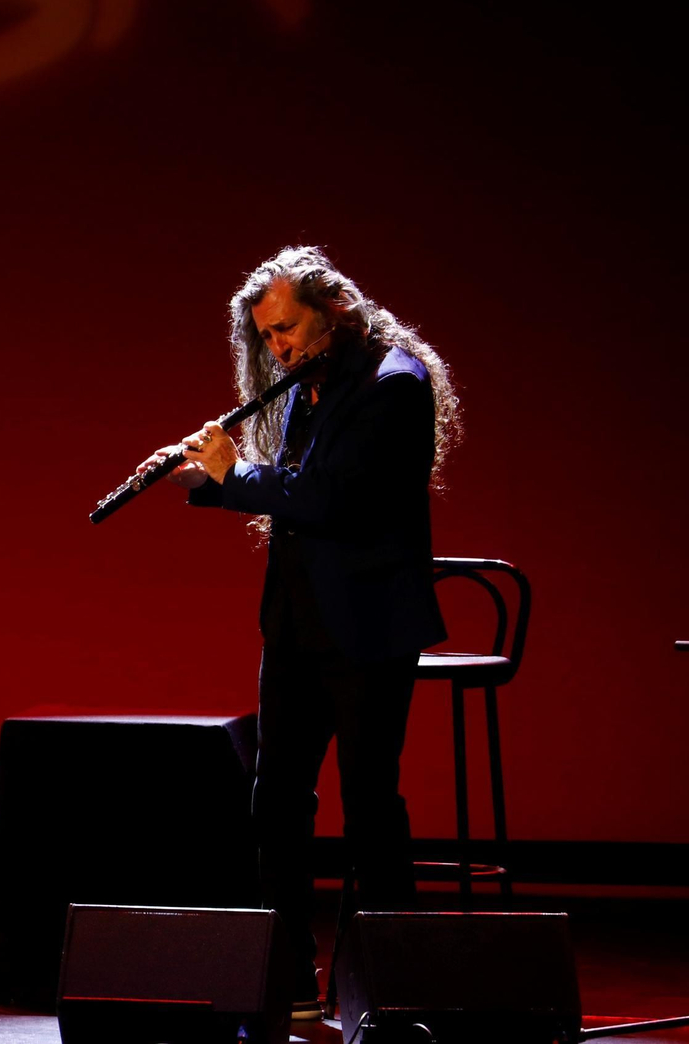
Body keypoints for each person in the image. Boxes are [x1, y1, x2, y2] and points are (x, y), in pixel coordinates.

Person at [149, 246, 459, 1018]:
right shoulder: (307, 387)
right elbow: (290, 494)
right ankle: (285, 980)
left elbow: (333, 499)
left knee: (370, 806)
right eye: (268, 339)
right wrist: (204, 480)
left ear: (334, 312)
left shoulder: (395, 383)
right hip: (295, 625)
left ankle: (392, 988)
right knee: (277, 801)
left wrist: (235, 474)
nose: (278, 348)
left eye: (287, 329)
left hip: (368, 626)